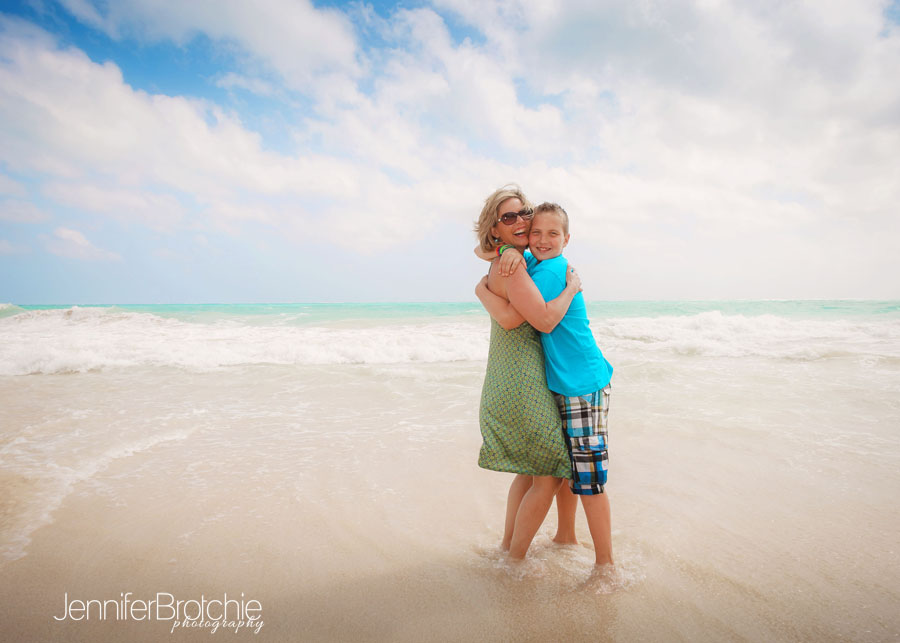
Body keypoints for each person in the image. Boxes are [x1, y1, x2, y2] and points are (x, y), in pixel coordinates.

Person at [476, 202, 615, 567]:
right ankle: (566, 537)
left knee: (588, 479)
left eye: (552, 233)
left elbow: (535, 320)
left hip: (582, 384)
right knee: (568, 468)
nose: (541, 239)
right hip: (565, 381)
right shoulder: (531, 262)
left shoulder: (551, 272)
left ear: (567, 239)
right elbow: (484, 248)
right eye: (535, 232)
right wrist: (503, 252)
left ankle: (605, 565)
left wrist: (483, 289)